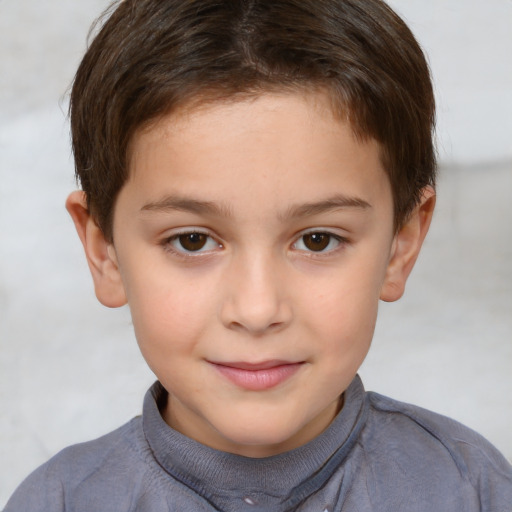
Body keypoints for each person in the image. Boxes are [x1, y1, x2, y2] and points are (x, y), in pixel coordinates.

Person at [5, 0, 512, 510]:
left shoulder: (471, 489)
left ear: (401, 244)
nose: (257, 309)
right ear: (104, 252)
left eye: (318, 239)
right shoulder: (59, 501)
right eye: (192, 240)